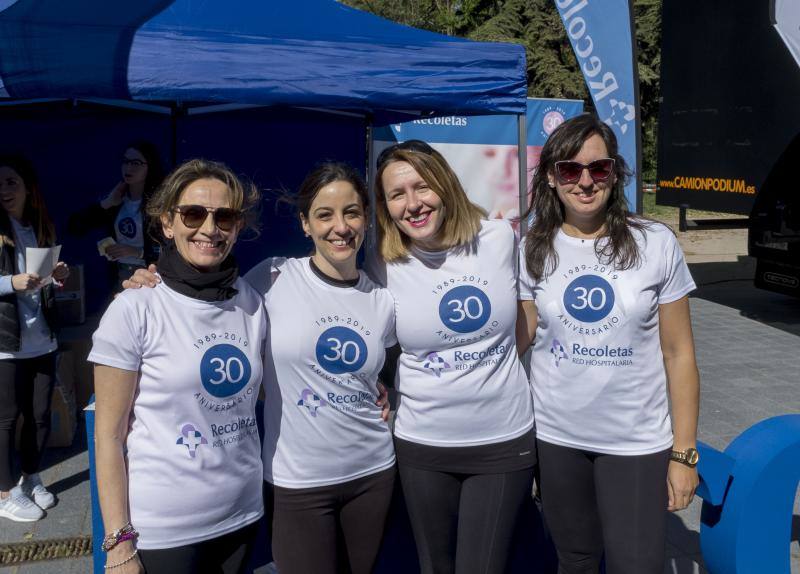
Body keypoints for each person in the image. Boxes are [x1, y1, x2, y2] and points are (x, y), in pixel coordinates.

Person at [123, 162, 397, 574]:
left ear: (366, 220)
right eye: (324, 214)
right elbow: (207, 310)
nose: (340, 227)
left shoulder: (382, 299)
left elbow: (386, 369)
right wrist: (153, 280)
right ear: (305, 224)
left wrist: (384, 391)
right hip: (295, 480)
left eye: (352, 212)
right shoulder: (271, 278)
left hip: (374, 472)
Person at [517, 113, 700, 574]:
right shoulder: (532, 247)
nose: (584, 182)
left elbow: (679, 356)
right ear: (552, 179)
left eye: (598, 169)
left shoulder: (654, 242)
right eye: (569, 170)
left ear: (615, 174)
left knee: (636, 564)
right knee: (574, 561)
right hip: (556, 439)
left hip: (635, 441)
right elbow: (515, 340)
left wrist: (683, 453)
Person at [91, 159, 266, 574]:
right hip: (167, 531)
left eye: (224, 216)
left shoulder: (251, 301)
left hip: (242, 514)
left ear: (238, 226)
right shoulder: (136, 308)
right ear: (168, 222)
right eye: (193, 213)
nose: (209, 228)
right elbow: (109, 437)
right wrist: (118, 543)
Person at [372, 141, 536, 574]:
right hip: (423, 444)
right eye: (396, 194)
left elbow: (526, 316)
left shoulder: (499, 238)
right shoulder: (381, 264)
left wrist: (487, 369)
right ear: (384, 206)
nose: (412, 204)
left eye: (421, 186)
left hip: (503, 440)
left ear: (445, 184)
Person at [0, 154, 69, 522]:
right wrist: (10, 282)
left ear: (27, 187)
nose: (4, 190)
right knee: (6, 419)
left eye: (11, 182)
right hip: (5, 345)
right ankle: (4, 492)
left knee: (40, 415)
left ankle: (30, 478)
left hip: (42, 338)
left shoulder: (38, 227)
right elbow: (15, 281)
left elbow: (42, 283)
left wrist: (57, 275)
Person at [68, 141, 163, 289]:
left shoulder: (160, 203)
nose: (128, 167)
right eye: (126, 161)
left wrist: (138, 252)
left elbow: (172, 248)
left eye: (136, 163)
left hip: (151, 275)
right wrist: (106, 204)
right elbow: (75, 227)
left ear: (150, 166)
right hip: (120, 275)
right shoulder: (116, 200)